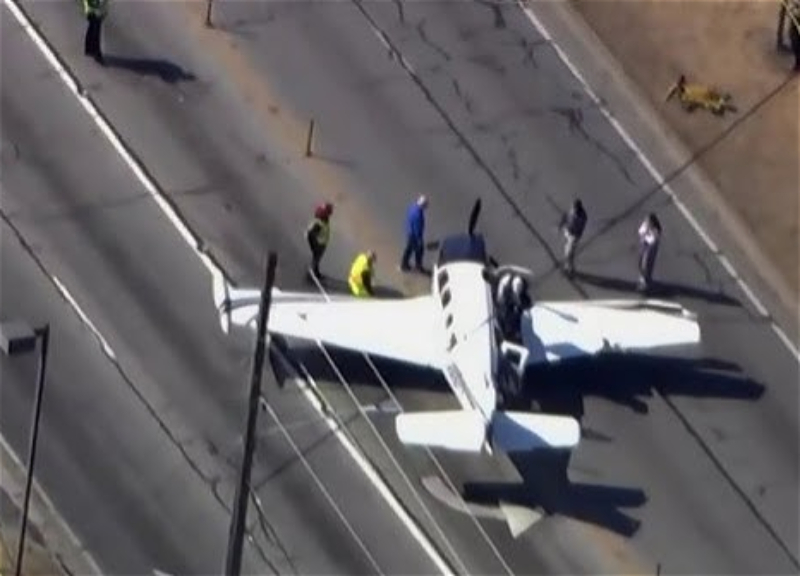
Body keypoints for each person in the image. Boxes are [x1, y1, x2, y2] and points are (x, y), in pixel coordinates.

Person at [305, 202, 333, 280]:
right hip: (319, 244)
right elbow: (311, 234)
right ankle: (310, 274)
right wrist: (315, 246)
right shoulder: (319, 224)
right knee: (316, 259)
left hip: (321, 243)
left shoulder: (323, 219)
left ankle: (316, 272)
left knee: (317, 259)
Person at [400, 195, 428, 272]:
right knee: (419, 250)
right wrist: (419, 240)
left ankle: (404, 264)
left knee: (409, 249)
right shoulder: (418, 214)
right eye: (425, 205)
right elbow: (417, 228)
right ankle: (418, 266)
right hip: (414, 235)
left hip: (409, 232)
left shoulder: (413, 208)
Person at [561, 199, 587, 275]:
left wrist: (566, 228)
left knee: (569, 253)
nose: (572, 208)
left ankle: (570, 269)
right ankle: (568, 267)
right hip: (569, 233)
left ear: (577, 208)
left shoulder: (581, 218)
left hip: (573, 236)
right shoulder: (573, 212)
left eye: (573, 207)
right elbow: (567, 217)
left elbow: (575, 228)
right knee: (567, 250)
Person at [637, 213, 662, 292]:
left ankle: (646, 281)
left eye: (648, 221)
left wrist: (646, 233)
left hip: (651, 247)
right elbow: (640, 232)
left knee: (647, 263)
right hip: (644, 245)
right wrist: (644, 235)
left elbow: (652, 241)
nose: (646, 222)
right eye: (646, 220)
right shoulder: (645, 225)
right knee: (640, 261)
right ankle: (643, 278)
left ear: (652, 222)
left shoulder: (656, 230)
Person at [83, 0, 108, 64]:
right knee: (96, 30)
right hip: (95, 9)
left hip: (93, 9)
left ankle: (89, 49)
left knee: (92, 27)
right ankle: (96, 52)